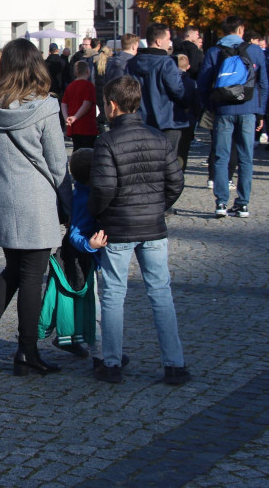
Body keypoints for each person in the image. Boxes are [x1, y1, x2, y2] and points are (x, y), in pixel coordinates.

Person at [0, 38, 67, 376]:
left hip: (4, 197)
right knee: (31, 275)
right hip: (37, 201)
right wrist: (68, 202)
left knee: (13, 271)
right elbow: (57, 164)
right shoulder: (46, 107)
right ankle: (26, 351)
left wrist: (2, 180)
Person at [90, 76, 189, 385]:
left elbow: (103, 188)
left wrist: (98, 215)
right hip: (153, 226)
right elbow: (176, 182)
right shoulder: (159, 138)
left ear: (112, 105)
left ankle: (112, 362)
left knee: (114, 294)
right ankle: (174, 364)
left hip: (118, 227)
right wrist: (158, 206)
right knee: (161, 294)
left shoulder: (107, 141)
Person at [198, 16, 269, 219]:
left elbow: (203, 85)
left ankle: (221, 202)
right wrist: (260, 110)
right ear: (241, 29)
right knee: (246, 157)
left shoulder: (214, 52)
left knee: (221, 156)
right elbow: (263, 83)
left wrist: (211, 106)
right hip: (248, 109)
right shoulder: (255, 51)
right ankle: (243, 204)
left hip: (223, 110)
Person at [38, 148, 106, 359]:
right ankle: (101, 356)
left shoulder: (81, 193)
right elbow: (75, 232)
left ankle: (70, 339)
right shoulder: (83, 198)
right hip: (81, 258)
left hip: (86, 256)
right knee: (93, 306)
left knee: (80, 302)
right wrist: (89, 245)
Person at [124, 23, 186, 159]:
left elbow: (126, 90)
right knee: (167, 162)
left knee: (143, 160)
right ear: (159, 41)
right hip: (167, 120)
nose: (170, 42)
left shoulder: (132, 63)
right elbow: (178, 90)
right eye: (168, 38)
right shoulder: (166, 63)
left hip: (140, 119)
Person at [61, 60, 98, 150]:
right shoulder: (89, 86)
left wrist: (67, 118)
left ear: (75, 72)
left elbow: (63, 104)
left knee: (77, 148)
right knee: (88, 152)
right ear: (87, 71)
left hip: (74, 127)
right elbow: (87, 104)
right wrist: (75, 117)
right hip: (87, 125)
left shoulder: (70, 86)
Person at [174, 54, 197, 170]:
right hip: (187, 120)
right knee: (183, 151)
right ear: (188, 66)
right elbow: (196, 103)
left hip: (171, 119)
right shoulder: (191, 83)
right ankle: (180, 173)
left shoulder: (168, 79)